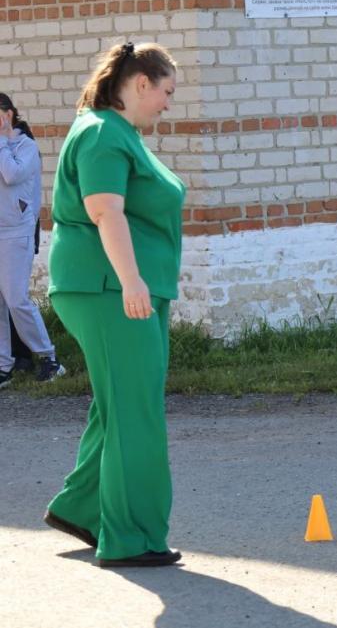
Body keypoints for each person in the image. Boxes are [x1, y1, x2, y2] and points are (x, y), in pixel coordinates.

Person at [44, 41, 185, 567]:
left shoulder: (118, 132)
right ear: (140, 83)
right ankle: (131, 537)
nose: (169, 104)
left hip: (118, 286)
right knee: (136, 411)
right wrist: (130, 281)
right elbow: (106, 212)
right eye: (166, 92)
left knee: (119, 404)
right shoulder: (103, 133)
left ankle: (81, 509)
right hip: (109, 288)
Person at [0, 92, 64, 388]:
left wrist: (1, 140)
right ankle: (4, 365)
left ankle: (49, 358)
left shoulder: (26, 147)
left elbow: (11, 175)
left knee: (16, 300)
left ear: (9, 113)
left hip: (16, 232)